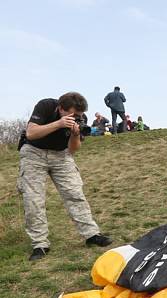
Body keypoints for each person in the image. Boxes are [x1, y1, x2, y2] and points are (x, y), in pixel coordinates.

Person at [17, 92, 112, 261]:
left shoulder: (80, 119)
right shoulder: (46, 105)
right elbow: (31, 133)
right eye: (73, 114)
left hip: (61, 156)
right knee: (33, 199)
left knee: (75, 194)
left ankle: (91, 235)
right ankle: (40, 244)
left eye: (80, 115)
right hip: (34, 153)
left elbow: (73, 150)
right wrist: (59, 123)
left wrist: (75, 134)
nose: (77, 117)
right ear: (60, 108)